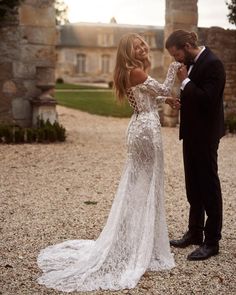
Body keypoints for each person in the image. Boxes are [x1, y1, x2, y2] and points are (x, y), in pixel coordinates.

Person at [37, 33, 181, 292]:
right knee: (144, 186)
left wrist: (165, 101)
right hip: (146, 130)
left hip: (141, 125)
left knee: (139, 185)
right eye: (137, 45)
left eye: (142, 43)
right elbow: (163, 88)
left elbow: (151, 98)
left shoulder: (132, 71)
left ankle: (135, 238)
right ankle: (135, 243)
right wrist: (173, 67)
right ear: (128, 51)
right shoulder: (135, 71)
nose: (142, 46)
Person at [165, 30, 226, 261]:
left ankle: (212, 241)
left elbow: (209, 101)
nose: (176, 59)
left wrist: (186, 82)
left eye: (177, 53)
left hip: (206, 136)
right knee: (193, 186)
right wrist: (182, 101)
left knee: (209, 186)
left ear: (188, 45)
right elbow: (195, 97)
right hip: (190, 135)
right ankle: (195, 232)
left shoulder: (214, 64)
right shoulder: (189, 64)